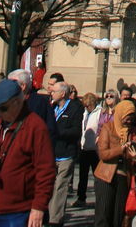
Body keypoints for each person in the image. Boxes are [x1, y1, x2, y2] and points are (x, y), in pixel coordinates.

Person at [0, 76, 56, 227]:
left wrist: (38, 207)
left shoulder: (35, 127)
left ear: (17, 102)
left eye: (3, 108)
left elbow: (46, 171)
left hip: (19, 210)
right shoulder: (0, 125)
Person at [94, 98, 136, 227]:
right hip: (105, 176)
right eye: (127, 118)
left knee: (118, 216)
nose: (129, 121)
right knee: (104, 214)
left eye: (131, 118)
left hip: (124, 176)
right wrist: (121, 149)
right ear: (120, 114)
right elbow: (103, 154)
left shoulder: (134, 132)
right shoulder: (108, 127)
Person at [49, 79, 84, 227]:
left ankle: (54, 220)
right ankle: (50, 214)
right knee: (50, 186)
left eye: (54, 91)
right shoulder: (52, 107)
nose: (51, 93)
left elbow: (76, 131)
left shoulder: (75, 108)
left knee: (60, 187)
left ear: (63, 93)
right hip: (51, 153)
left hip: (66, 154)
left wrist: (57, 132)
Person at [8, 69, 58, 146]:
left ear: (23, 86)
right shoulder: (7, 102)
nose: (8, 86)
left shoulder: (41, 103)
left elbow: (50, 131)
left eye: (12, 83)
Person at [74, 90, 103, 206]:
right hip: (84, 148)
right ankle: (81, 198)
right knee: (83, 175)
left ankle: (100, 198)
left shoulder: (100, 112)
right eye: (85, 106)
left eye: (88, 105)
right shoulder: (85, 113)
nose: (86, 107)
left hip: (95, 149)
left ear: (93, 103)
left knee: (97, 176)